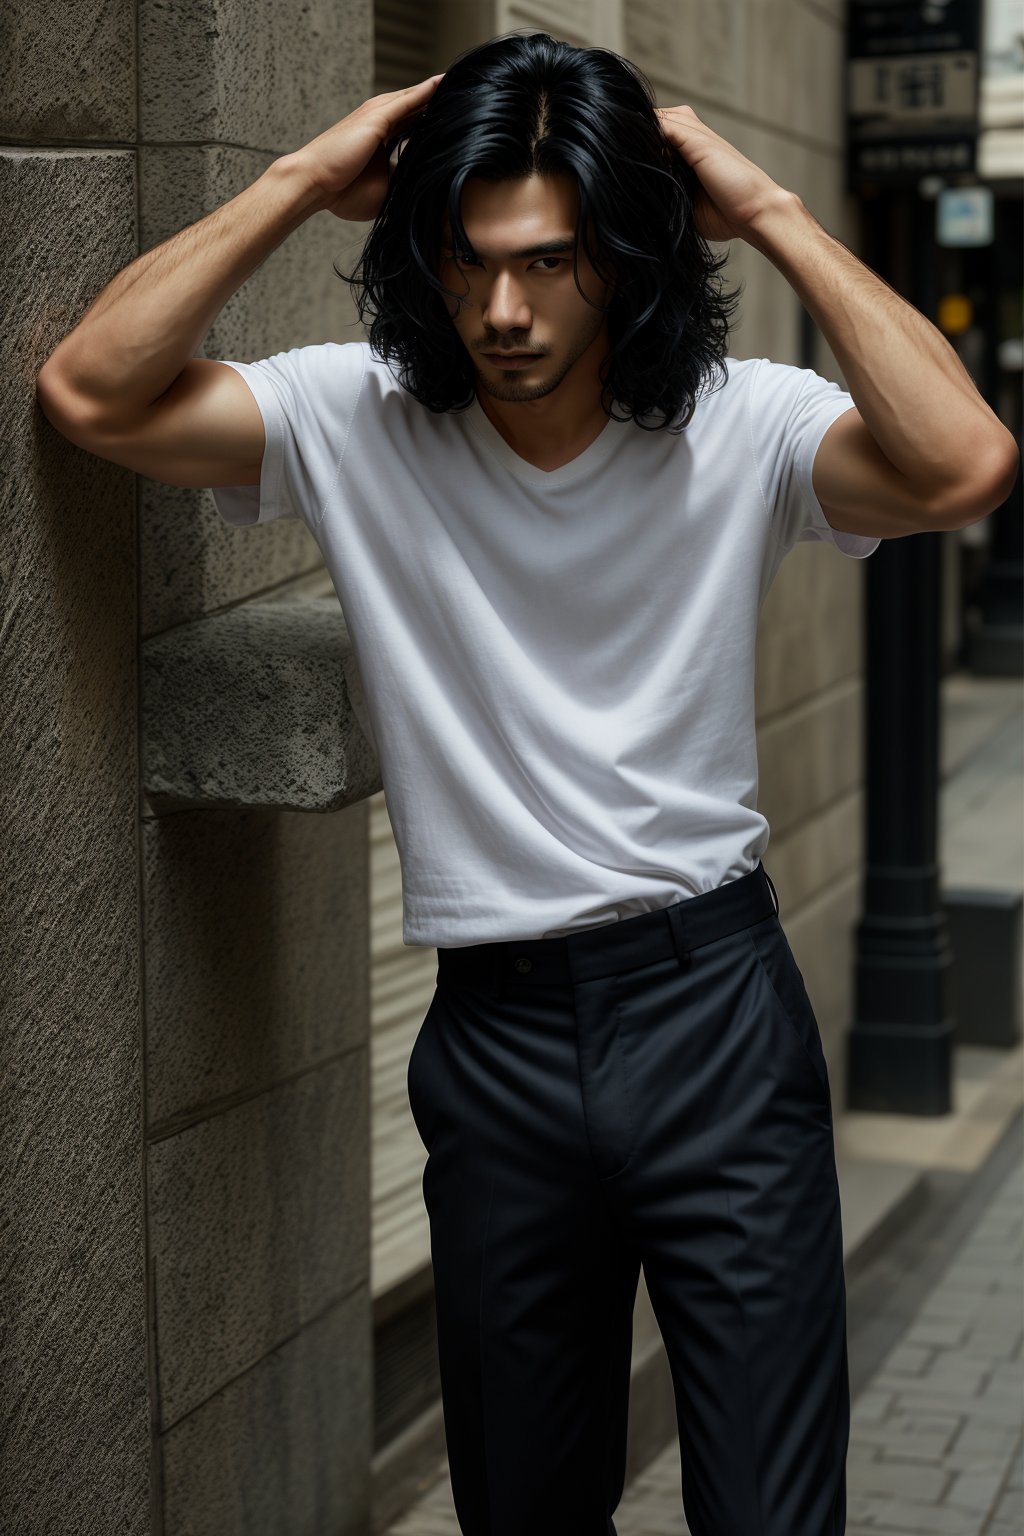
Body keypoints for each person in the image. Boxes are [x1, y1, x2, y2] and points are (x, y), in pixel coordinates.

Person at [35, 30, 1018, 1536]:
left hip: (715, 1018)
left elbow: (961, 465)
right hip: (494, 1042)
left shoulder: (739, 424)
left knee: (771, 1513)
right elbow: (92, 392)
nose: (502, 308)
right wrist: (304, 175)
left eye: (550, 261)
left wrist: (766, 207)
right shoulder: (353, 418)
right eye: (467, 258)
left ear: (625, 254)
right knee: (524, 1512)